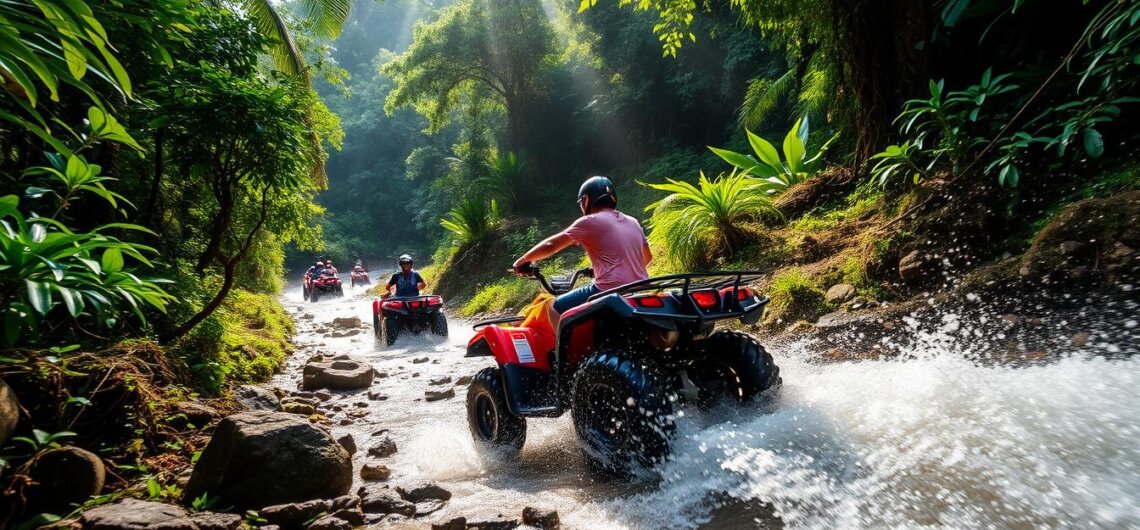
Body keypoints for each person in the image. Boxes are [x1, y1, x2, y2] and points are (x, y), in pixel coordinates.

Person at [512, 176, 651, 322]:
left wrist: (523, 260)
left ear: (586, 200)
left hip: (609, 289)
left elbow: (550, 246)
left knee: (555, 307)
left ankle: (569, 346)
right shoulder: (633, 221)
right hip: (640, 287)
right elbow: (647, 258)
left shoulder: (590, 221)